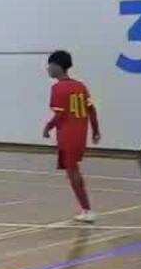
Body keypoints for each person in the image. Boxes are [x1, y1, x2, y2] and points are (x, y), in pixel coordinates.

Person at [43, 50, 101, 223]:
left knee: (72, 171)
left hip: (67, 134)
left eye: (49, 65)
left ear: (57, 66)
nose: (47, 69)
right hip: (80, 134)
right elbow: (92, 110)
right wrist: (96, 130)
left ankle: (87, 209)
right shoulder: (80, 86)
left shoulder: (57, 88)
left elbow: (60, 115)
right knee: (73, 170)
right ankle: (86, 209)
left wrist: (48, 127)